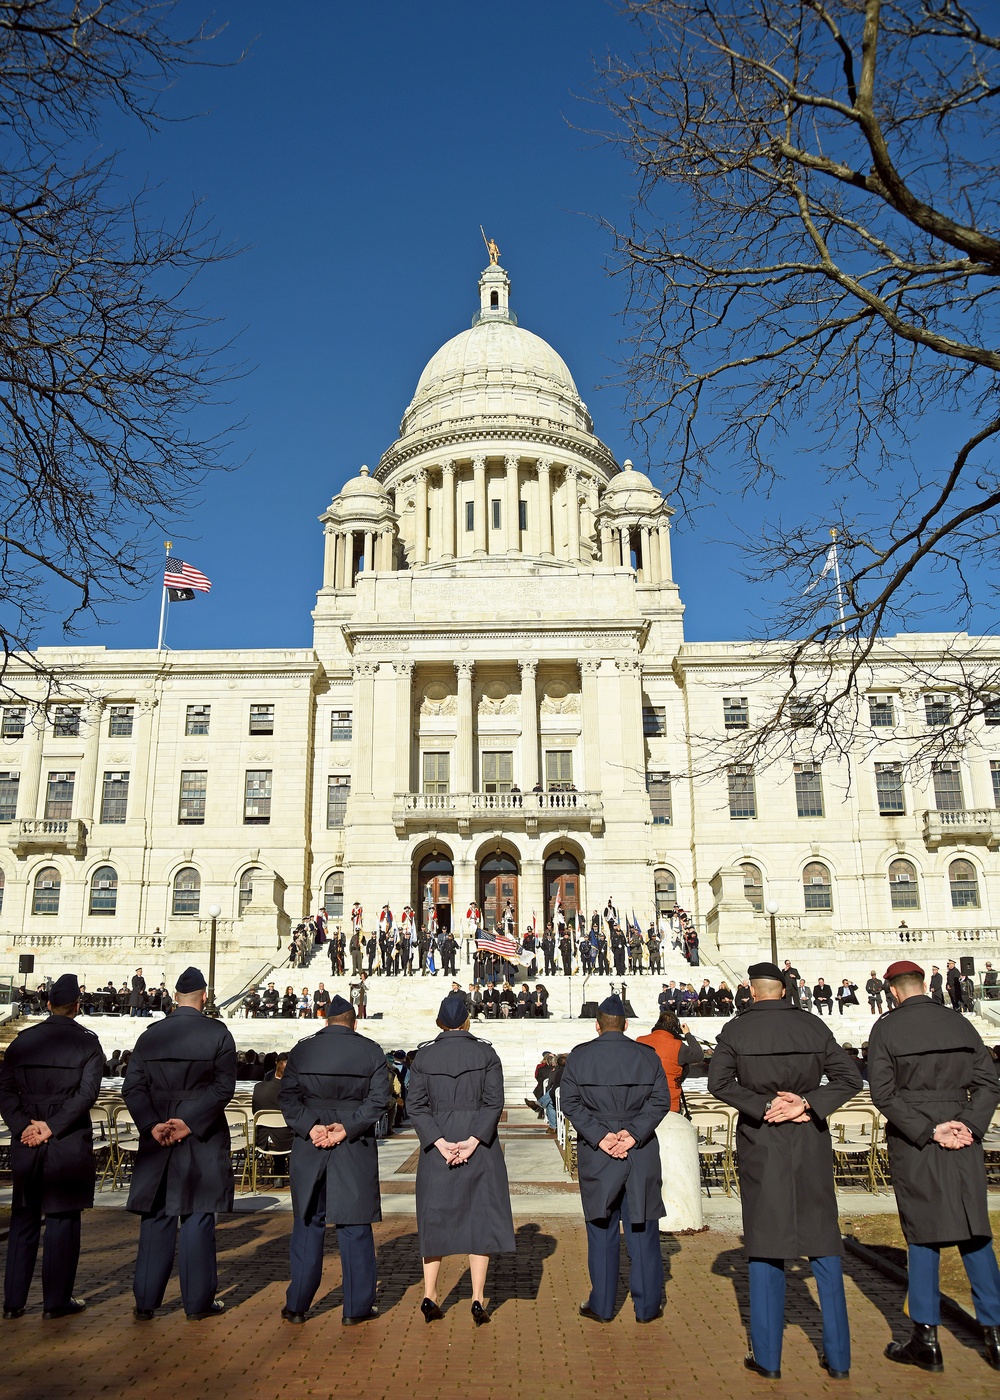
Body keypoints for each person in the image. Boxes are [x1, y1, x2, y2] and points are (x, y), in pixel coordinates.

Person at [708, 961, 861, 1380]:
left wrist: (763, 1106)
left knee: (765, 1244)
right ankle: (840, 1358)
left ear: (752, 991)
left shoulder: (736, 1030)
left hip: (763, 1141)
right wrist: (806, 1103)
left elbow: (717, 1083)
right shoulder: (813, 1026)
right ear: (783, 989)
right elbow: (850, 1079)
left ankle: (769, 1359)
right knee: (824, 1243)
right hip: (808, 1137)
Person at [867, 959, 1000, 1374]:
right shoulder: (960, 1024)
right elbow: (989, 1082)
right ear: (925, 984)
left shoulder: (886, 1028)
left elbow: (884, 1095)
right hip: (962, 1129)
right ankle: (995, 1334)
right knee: (975, 1229)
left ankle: (925, 1339)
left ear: (892, 990)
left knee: (922, 1235)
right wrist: (970, 1125)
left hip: (918, 1138)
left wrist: (929, 1130)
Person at [123, 967, 237, 1321]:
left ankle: (145, 1300)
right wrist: (189, 1122)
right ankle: (198, 1302)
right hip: (199, 1133)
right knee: (198, 1215)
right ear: (204, 997)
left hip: (158, 1131)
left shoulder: (150, 1035)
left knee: (156, 1216)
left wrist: (151, 1124)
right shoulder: (218, 1033)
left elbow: (133, 1087)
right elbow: (223, 1089)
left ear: (175, 997)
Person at [559, 994, 671, 1324]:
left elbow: (571, 1103)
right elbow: (660, 1100)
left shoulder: (580, 1057)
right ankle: (648, 1306)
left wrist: (600, 1135)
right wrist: (633, 1133)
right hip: (639, 1149)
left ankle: (603, 1304)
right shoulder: (646, 1056)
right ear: (625, 1025)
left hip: (599, 1152)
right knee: (643, 1229)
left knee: (601, 1228)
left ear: (597, 1025)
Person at [278, 994, 389, 1325]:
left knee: (308, 1222)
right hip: (351, 1145)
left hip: (310, 1144)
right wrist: (348, 1127)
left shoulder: (303, 1049)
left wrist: (310, 1128)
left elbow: (287, 1096)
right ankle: (355, 1309)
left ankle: (297, 1304)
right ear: (354, 1022)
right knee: (354, 1225)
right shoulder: (370, 1050)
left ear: (326, 1021)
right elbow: (379, 1099)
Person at [406, 991, 515, 1325]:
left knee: (433, 1217)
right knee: (479, 1219)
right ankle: (478, 1296)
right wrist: (472, 1140)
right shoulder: (486, 1053)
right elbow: (494, 1101)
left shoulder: (423, 1058)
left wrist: (438, 1142)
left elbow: (416, 1105)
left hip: (437, 1144)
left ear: (440, 1022)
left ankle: (430, 1293)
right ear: (467, 1020)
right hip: (479, 1145)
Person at [0, 973, 105, 1320]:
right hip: (66, 1138)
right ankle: (55, 1300)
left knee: (24, 1218)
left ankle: (13, 1301)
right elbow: (86, 1095)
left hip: (27, 1134)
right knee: (62, 1219)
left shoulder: (22, 1042)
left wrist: (22, 1126)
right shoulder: (88, 1043)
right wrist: (52, 1127)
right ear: (77, 1005)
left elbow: (5, 1090)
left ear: (48, 1004)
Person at [637, 1011, 704, 1113]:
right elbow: (698, 1055)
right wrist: (687, 1034)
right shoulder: (678, 1046)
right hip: (669, 1104)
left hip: (642, 1102)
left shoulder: (640, 1041)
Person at [252, 1052, 294, 1175]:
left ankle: (279, 1174)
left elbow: (255, 1112)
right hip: (286, 1138)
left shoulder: (258, 1087)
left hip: (262, 1138)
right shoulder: (292, 1090)